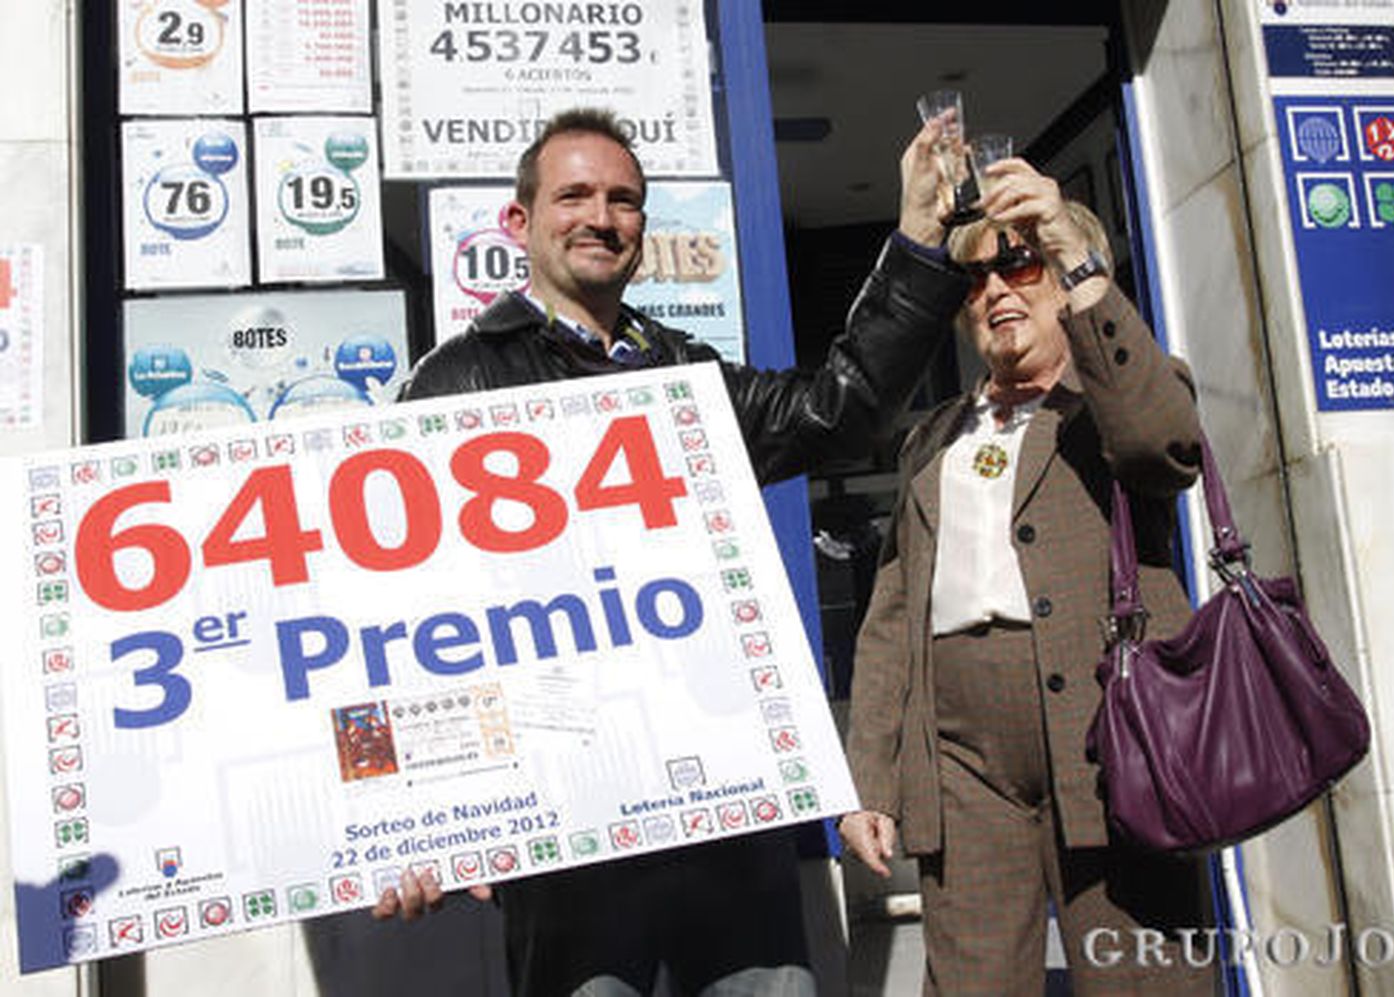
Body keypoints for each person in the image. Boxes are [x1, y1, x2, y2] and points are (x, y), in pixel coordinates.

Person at [373, 106, 972, 997]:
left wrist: (920, 243)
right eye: (573, 195)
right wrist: (408, 812)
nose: (600, 217)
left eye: (623, 200)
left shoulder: (688, 377)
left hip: (724, 797)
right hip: (568, 814)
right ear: (519, 222)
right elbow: (396, 614)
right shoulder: (452, 382)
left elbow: (837, 411)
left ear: (643, 229)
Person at [838, 156, 1215, 995]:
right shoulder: (933, 436)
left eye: (1021, 262)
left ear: (1070, 274)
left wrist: (1068, 250)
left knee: (1143, 979)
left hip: (1118, 740)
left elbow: (1164, 444)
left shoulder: (1121, 393)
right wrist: (870, 780)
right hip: (963, 764)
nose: (996, 291)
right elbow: (893, 613)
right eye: (975, 277)